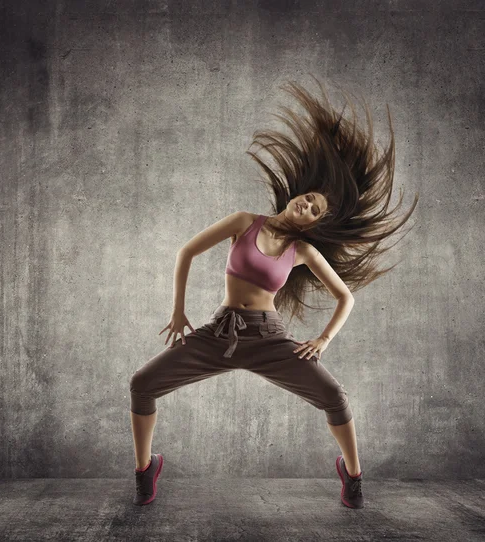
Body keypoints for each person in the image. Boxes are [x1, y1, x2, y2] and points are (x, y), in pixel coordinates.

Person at [128, 77, 419, 509]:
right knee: (142, 384)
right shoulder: (246, 221)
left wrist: (323, 339)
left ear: (311, 224)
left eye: (315, 211)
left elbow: (346, 297)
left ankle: (353, 475)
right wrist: (177, 311)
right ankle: (144, 469)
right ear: (295, 197)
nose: (307, 206)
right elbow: (187, 251)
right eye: (307, 199)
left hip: (268, 339)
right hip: (218, 334)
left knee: (335, 398)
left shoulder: (303, 250)